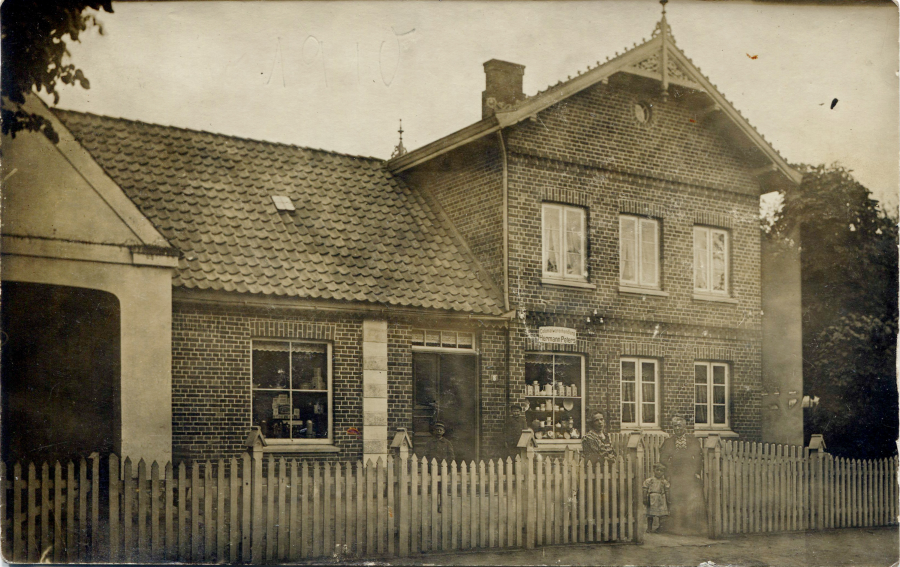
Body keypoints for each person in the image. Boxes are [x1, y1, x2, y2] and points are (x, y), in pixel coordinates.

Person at [658, 415, 708, 536]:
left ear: (684, 427)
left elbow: (698, 458)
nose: (677, 428)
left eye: (679, 426)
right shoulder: (669, 442)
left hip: (690, 474)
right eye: (675, 426)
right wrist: (669, 471)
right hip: (675, 475)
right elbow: (663, 459)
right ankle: (677, 525)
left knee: (690, 499)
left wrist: (696, 472)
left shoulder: (693, 441)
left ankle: (691, 525)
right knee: (676, 498)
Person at [643, 463, 670, 533]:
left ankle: (660, 528)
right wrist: (644, 498)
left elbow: (667, 491)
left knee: (661, 514)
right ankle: (649, 528)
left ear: (663, 472)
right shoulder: (650, 480)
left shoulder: (664, 481)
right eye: (657, 470)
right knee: (650, 514)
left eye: (661, 471)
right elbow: (645, 489)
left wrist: (668, 499)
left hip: (661, 498)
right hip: (652, 497)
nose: (659, 472)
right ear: (654, 471)